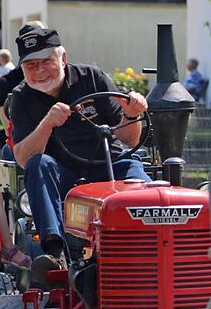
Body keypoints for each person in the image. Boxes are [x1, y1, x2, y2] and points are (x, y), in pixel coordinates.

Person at [10, 28, 150, 269]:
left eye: (46, 61)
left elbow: (128, 139)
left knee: (142, 184)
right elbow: (23, 158)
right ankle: (55, 253)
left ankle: (147, 246)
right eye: (31, 65)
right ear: (22, 69)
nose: (40, 71)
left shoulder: (92, 78)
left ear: (63, 58)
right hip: (63, 175)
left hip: (109, 164)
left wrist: (130, 114)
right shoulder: (21, 97)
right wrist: (47, 123)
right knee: (38, 164)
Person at [0, 21, 47, 158]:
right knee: (10, 151)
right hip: (26, 143)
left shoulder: (62, 76)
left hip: (66, 142)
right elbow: (8, 129)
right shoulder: (6, 83)